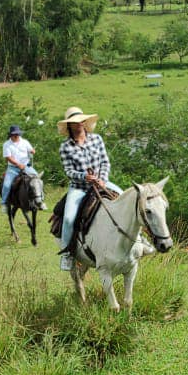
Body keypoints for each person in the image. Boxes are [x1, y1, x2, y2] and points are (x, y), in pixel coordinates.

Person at [57, 107, 122, 271]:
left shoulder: (97, 139)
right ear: (69, 126)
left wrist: (102, 179)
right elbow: (68, 171)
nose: (78, 125)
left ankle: (140, 239)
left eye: (81, 121)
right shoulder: (65, 147)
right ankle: (67, 254)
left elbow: (105, 162)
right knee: (69, 218)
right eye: (74, 123)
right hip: (79, 188)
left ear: (85, 122)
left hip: (101, 182)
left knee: (125, 198)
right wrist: (83, 176)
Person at [0, 124, 38, 209]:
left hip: (26, 166)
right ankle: (4, 203)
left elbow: (30, 150)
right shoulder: (6, 144)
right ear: (11, 135)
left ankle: (39, 200)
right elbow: (8, 158)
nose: (17, 136)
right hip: (13, 168)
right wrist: (18, 164)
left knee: (37, 179)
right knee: (6, 185)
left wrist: (32, 151)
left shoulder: (25, 142)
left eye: (18, 134)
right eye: (15, 134)